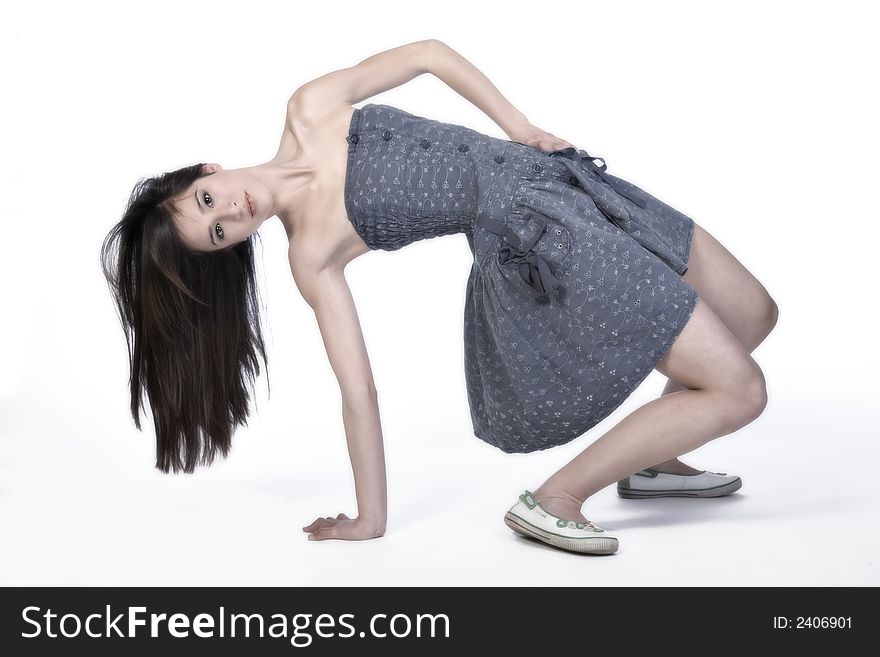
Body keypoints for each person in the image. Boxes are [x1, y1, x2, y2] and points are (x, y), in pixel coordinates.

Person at [101, 39, 778, 556]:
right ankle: (554, 497)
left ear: (206, 170)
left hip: (563, 179)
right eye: (218, 232)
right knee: (740, 390)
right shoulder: (312, 252)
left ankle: (653, 459)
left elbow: (428, 53)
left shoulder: (310, 107)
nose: (232, 212)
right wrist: (369, 518)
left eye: (207, 199)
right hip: (549, 242)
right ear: (230, 249)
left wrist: (518, 124)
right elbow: (358, 390)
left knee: (753, 312)